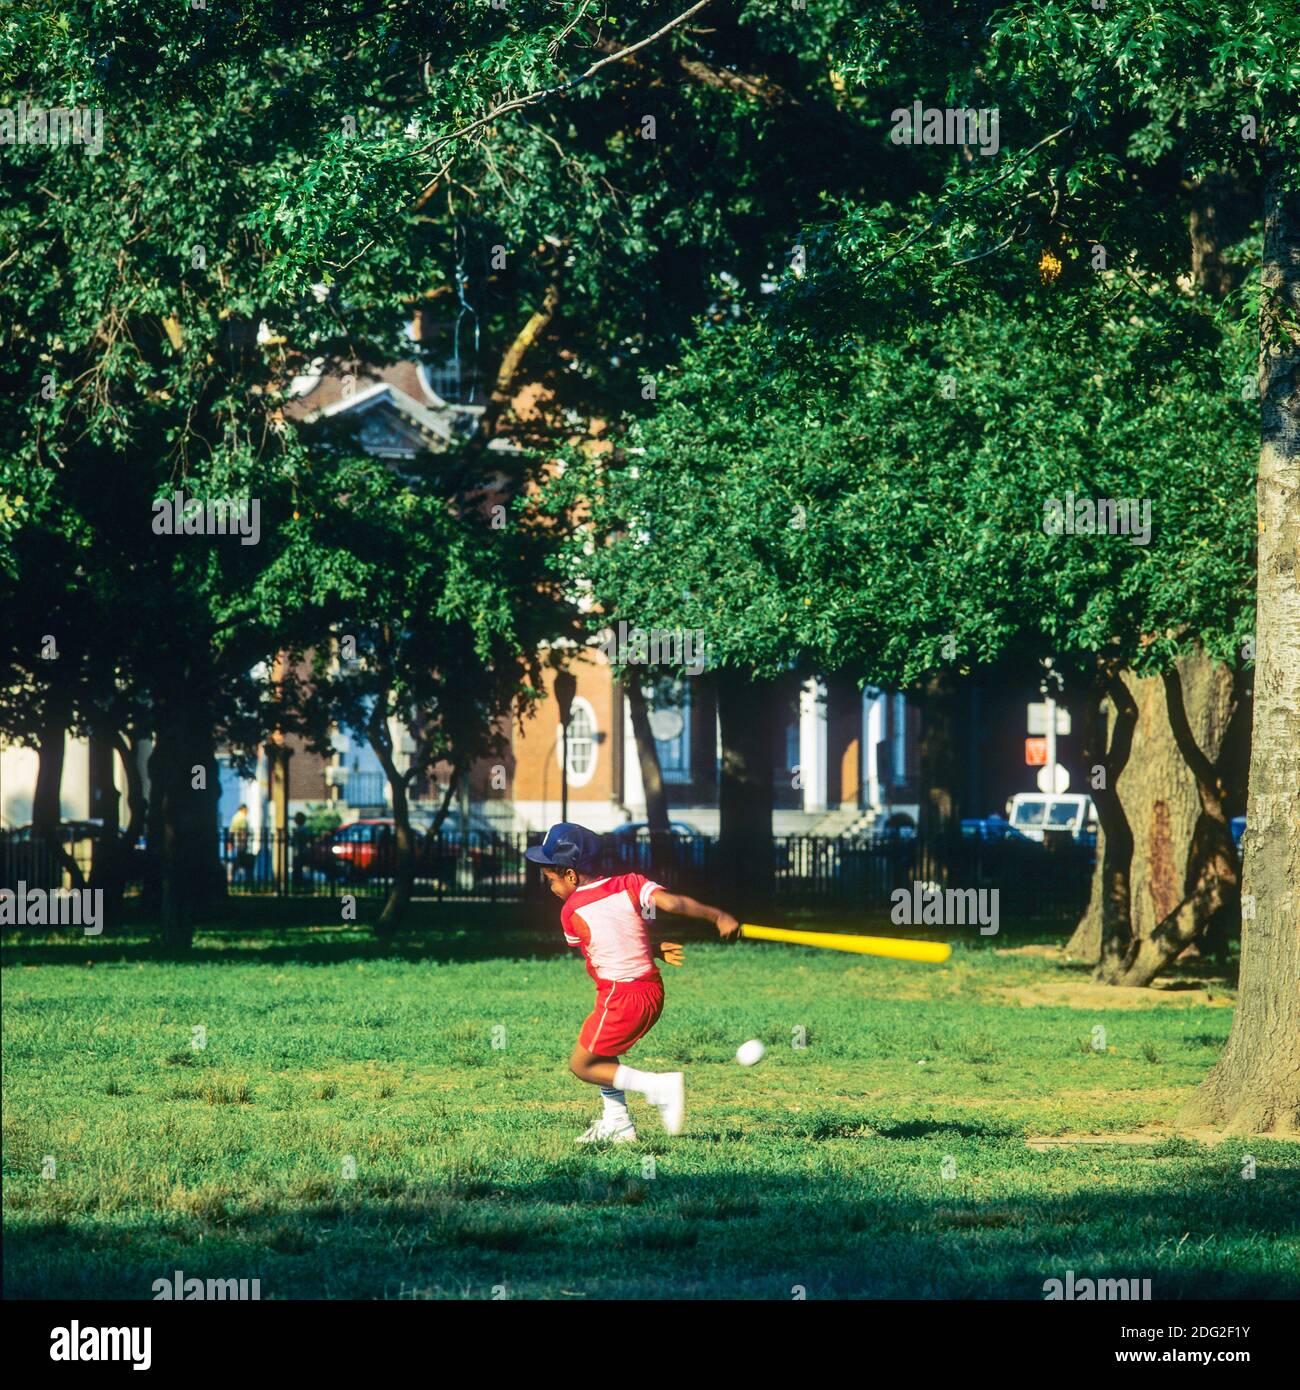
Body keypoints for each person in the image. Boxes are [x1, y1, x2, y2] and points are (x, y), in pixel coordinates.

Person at [525, 821, 740, 1143]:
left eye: (550, 879)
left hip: (621, 995)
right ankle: (618, 1123)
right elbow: (672, 904)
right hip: (649, 989)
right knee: (602, 1051)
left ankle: (658, 1086)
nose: (550, 887)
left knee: (582, 1065)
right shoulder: (630, 883)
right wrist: (717, 916)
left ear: (570, 875)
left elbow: (593, 942)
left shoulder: (570, 911)